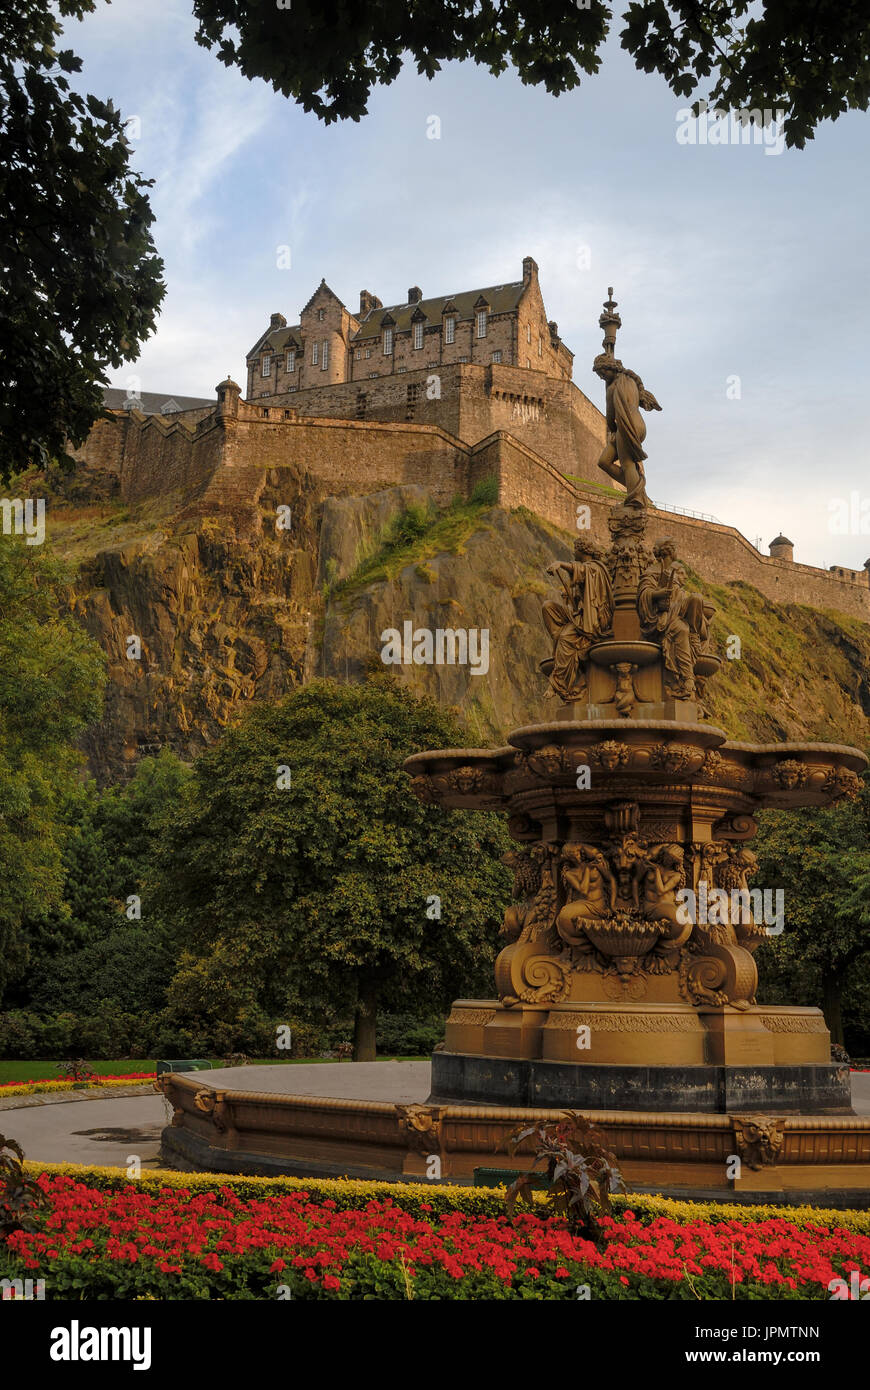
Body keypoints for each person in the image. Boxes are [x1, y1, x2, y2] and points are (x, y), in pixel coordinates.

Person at [542, 538, 613, 701]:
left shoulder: (596, 568)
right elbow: (579, 583)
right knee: (548, 607)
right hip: (579, 616)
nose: (574, 552)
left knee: (566, 639)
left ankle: (558, 684)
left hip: (593, 621)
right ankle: (560, 639)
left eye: (576, 549)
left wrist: (561, 564)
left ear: (583, 551)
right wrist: (570, 595)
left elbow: (582, 571)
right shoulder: (584, 570)